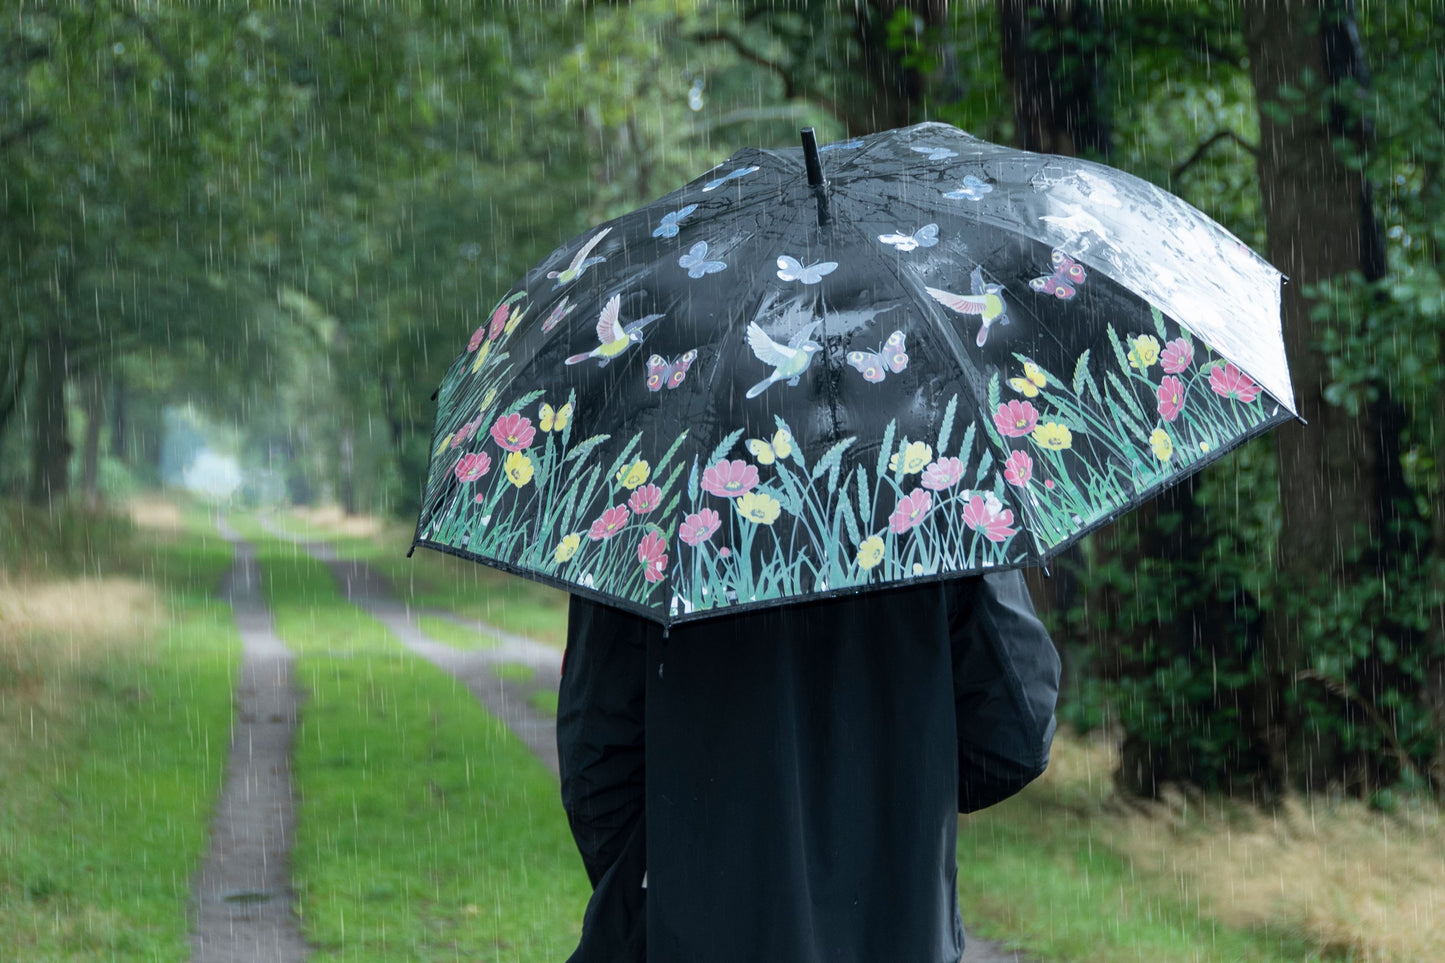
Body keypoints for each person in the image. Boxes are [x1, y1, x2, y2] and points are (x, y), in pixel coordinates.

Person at [556, 571, 1060, 963]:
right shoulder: (936, 473)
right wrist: (901, 802)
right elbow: (1015, 735)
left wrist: (682, 880)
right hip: (900, 935)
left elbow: (595, 767)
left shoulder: (647, 484)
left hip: (700, 937)